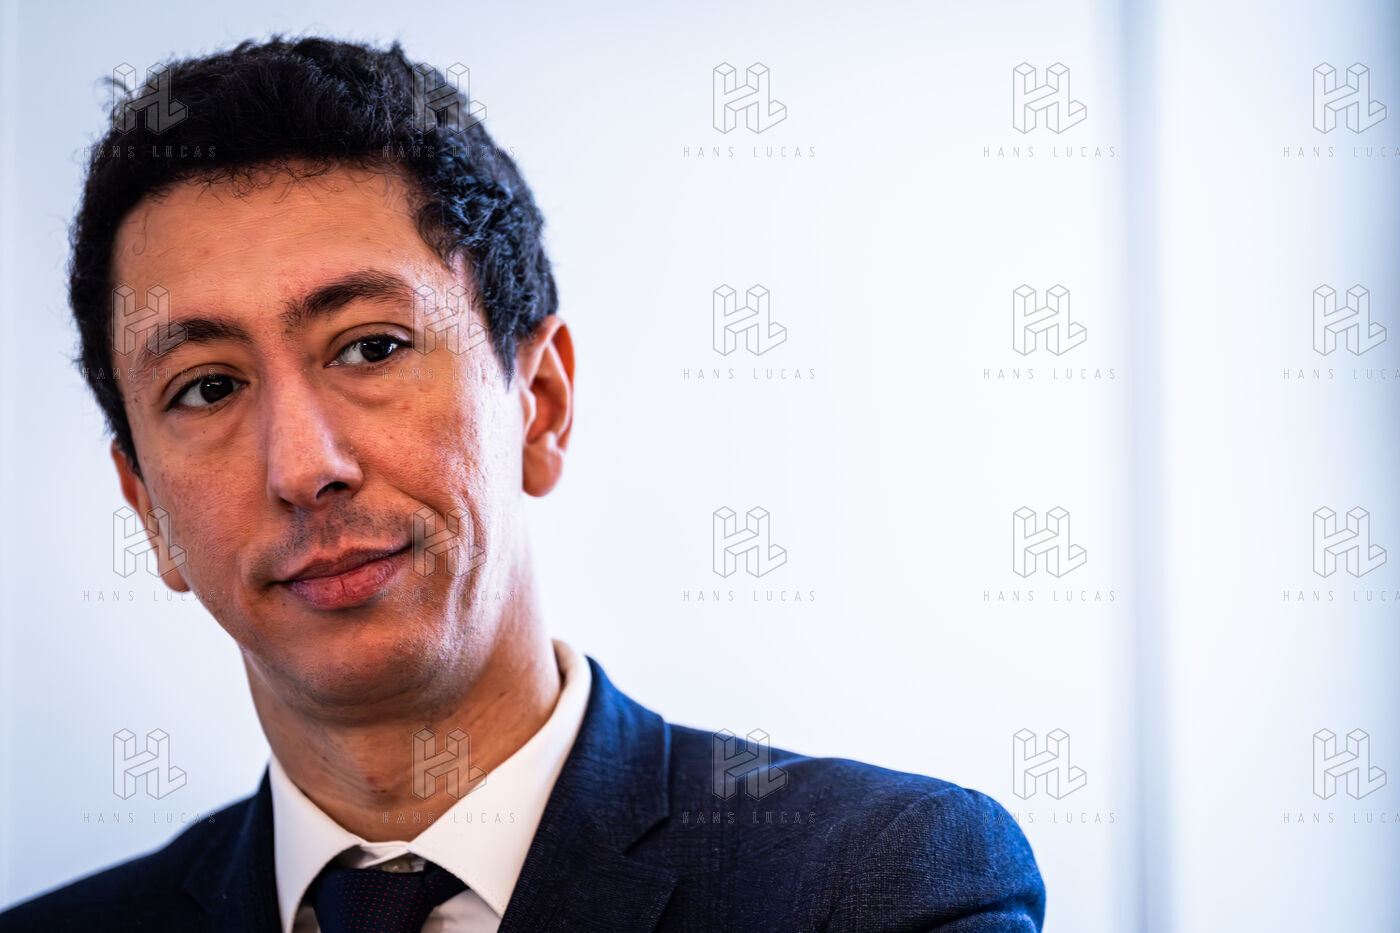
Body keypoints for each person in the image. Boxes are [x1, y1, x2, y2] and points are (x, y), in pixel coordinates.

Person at [0, 36, 1045, 932]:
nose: (304, 467)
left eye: (371, 347)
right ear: (147, 508)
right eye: (208, 386)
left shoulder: (873, 884)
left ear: (539, 403)